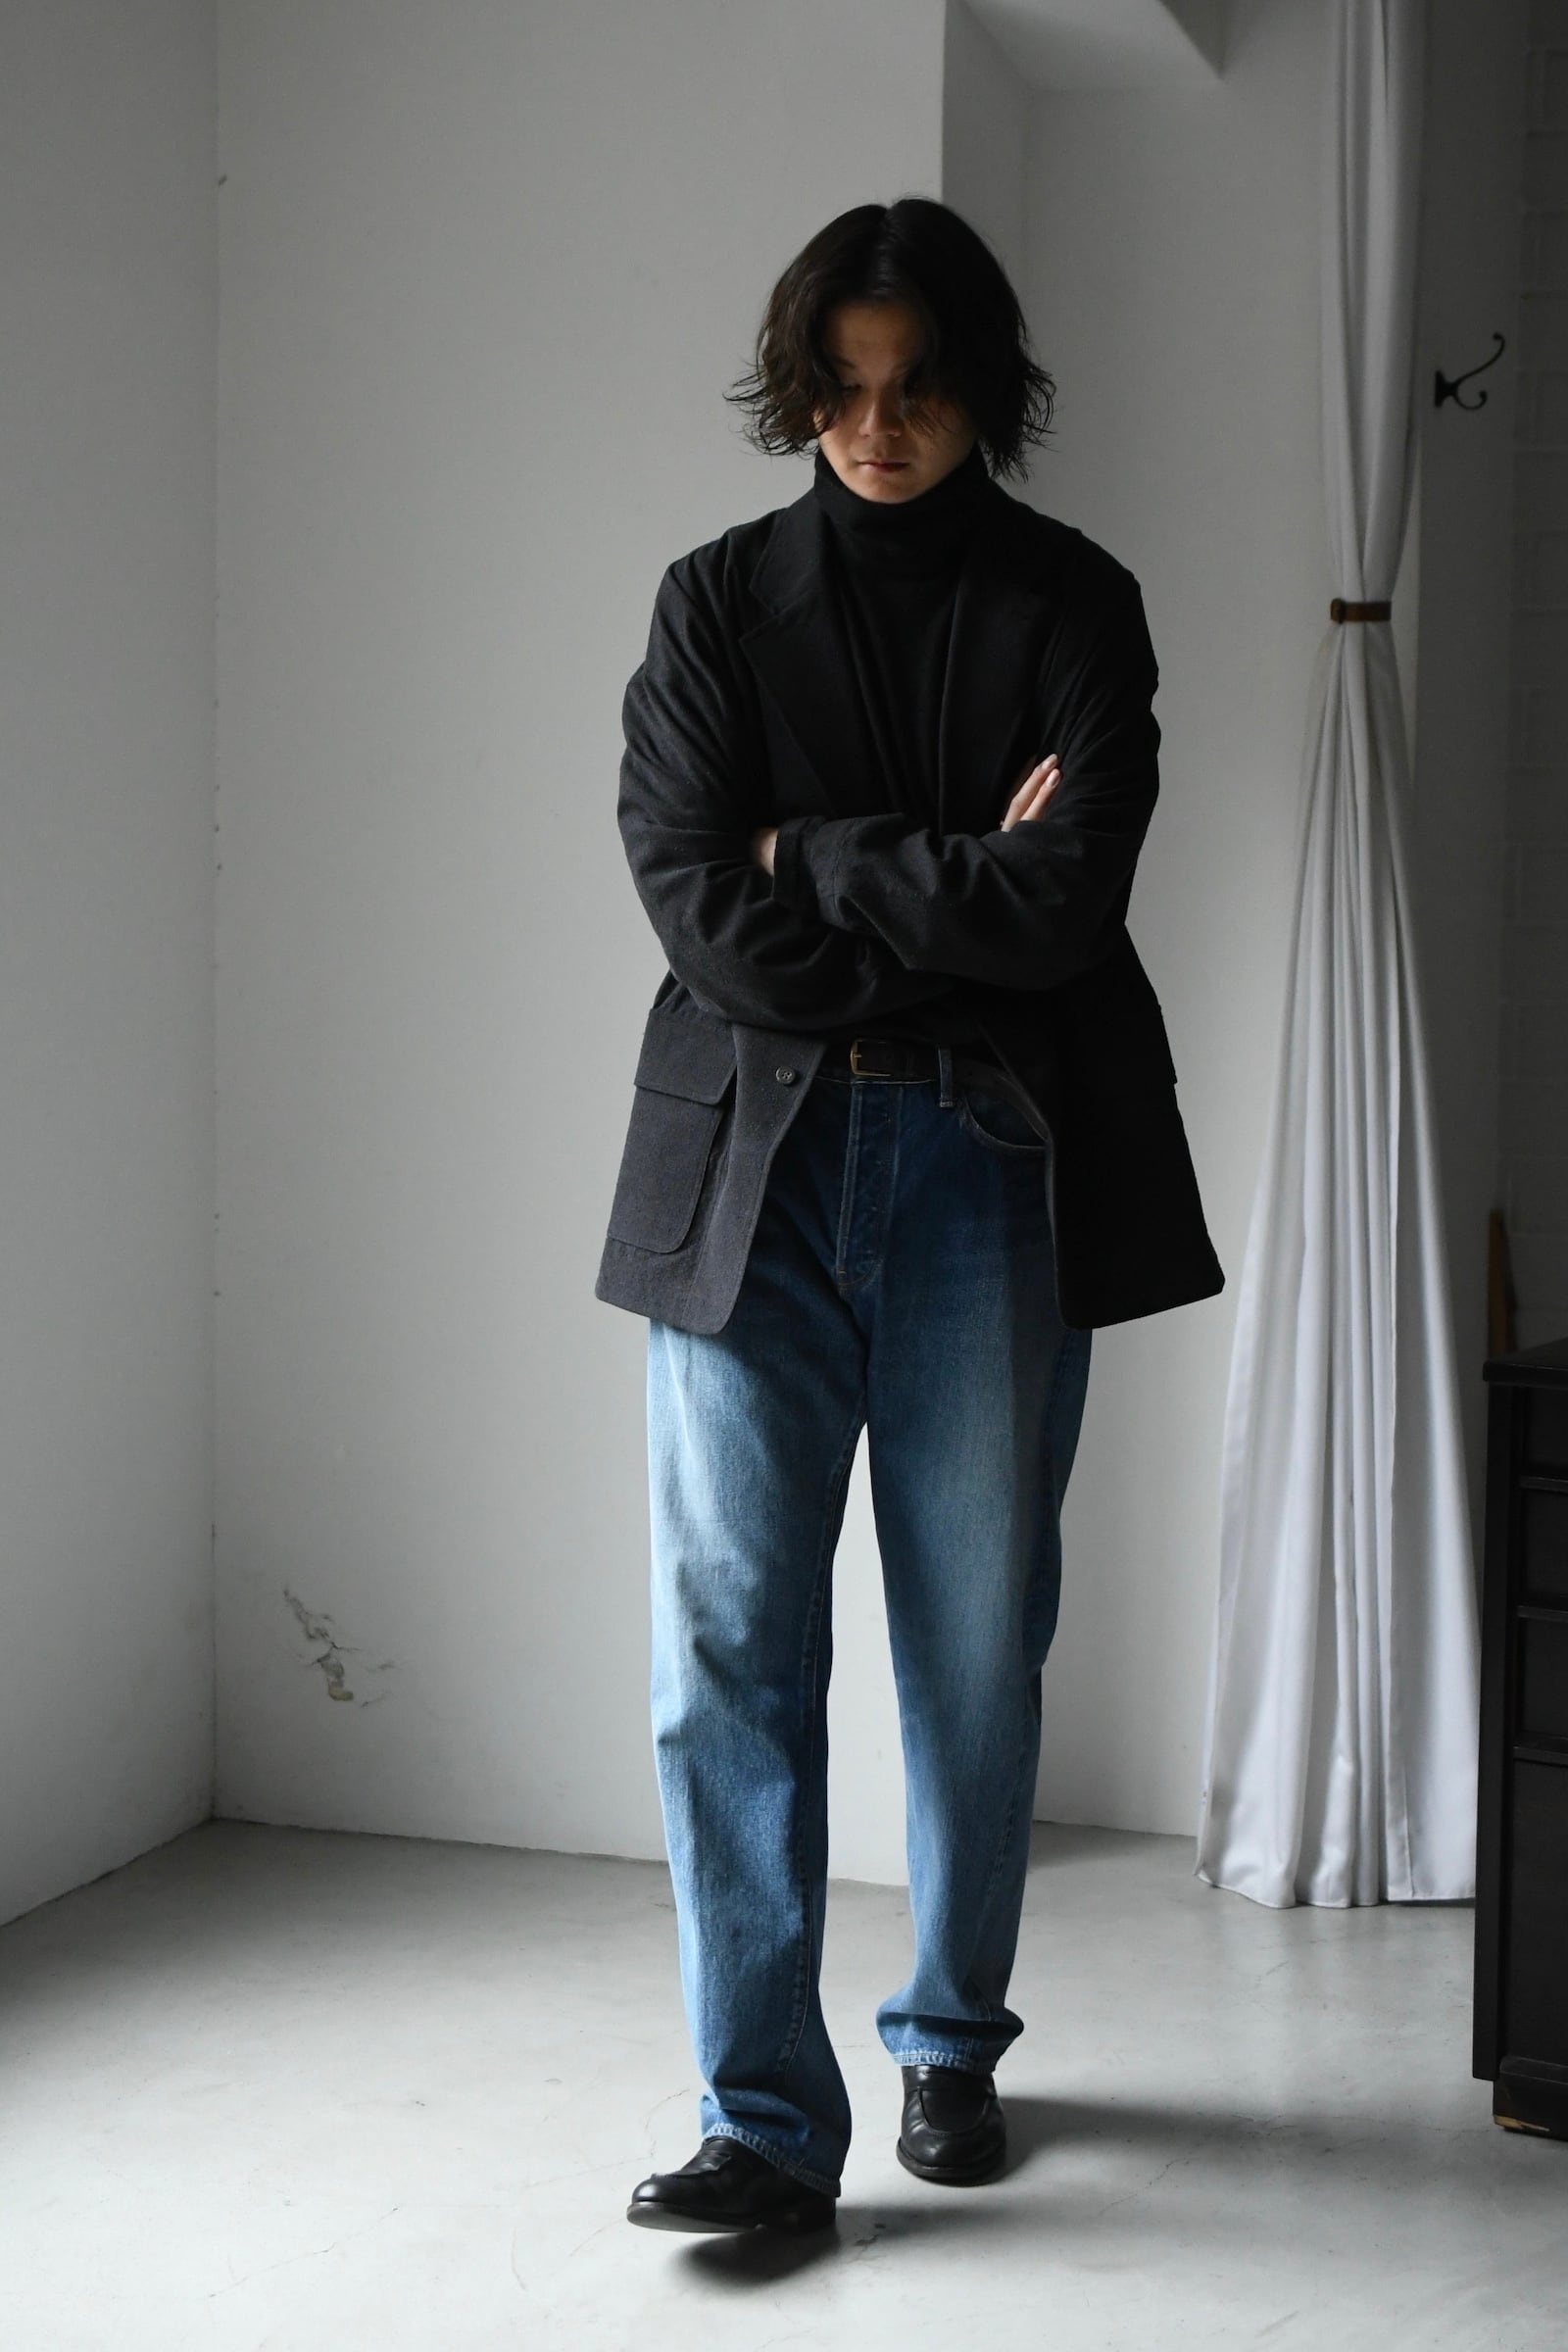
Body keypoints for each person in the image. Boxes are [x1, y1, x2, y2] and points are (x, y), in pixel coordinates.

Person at [596, 196, 1223, 2234]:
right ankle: (761, 2128)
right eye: (843, 389)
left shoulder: (1074, 606)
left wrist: (814, 851)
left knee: (972, 1644)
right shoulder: (714, 604)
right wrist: (939, 879)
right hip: (749, 1179)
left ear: (981, 391)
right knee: (725, 1653)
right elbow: (701, 906)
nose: (877, 429)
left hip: (988, 1164)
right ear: (799, 388)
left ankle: (950, 2040)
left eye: (918, 389)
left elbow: (1064, 908)